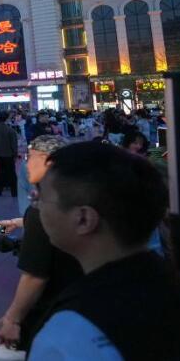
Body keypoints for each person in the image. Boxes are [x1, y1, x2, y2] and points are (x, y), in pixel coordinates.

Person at [29, 142, 180, 360]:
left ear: (83, 219)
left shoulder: (69, 336)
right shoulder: (166, 279)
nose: (38, 206)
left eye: (41, 198)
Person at [0, 134, 79, 355]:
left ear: (49, 162)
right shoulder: (69, 197)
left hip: (50, 308)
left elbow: (34, 277)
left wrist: (12, 318)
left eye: (31, 158)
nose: (26, 164)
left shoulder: (42, 209)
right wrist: (17, 222)